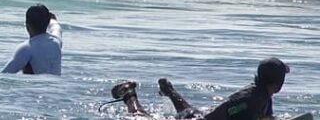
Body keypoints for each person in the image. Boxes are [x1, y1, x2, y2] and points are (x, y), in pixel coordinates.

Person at [110, 57, 290, 120]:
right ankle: (128, 94)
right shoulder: (252, 99)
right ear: (277, 82)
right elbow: (224, 111)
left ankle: (169, 91)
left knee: (190, 113)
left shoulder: (264, 95)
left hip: (204, 118)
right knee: (142, 118)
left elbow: (266, 117)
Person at [1, 4, 62, 75]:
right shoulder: (56, 42)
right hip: (56, 85)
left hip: (36, 86)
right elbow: (56, 27)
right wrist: (53, 20)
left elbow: (4, 75)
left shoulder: (27, 48)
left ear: (27, 26)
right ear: (47, 23)